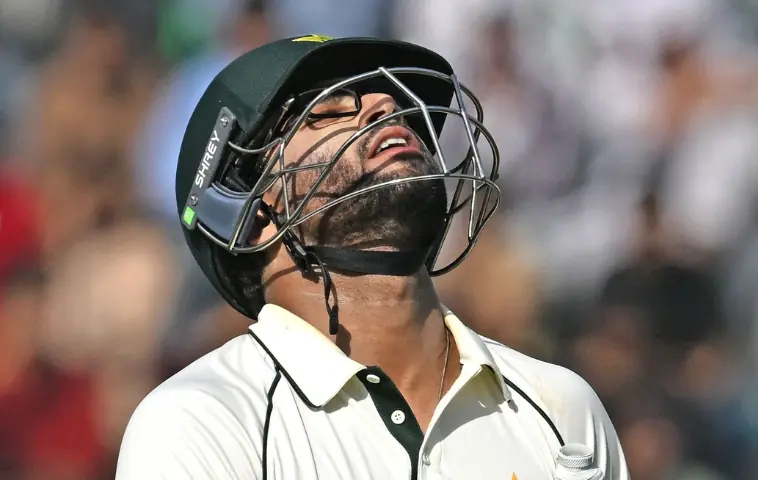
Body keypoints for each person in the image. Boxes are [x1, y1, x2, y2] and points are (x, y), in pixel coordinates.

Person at [116, 35, 629, 479]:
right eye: (327, 108)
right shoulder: (203, 422)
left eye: (396, 101)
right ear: (247, 209)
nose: (384, 104)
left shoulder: (564, 410)